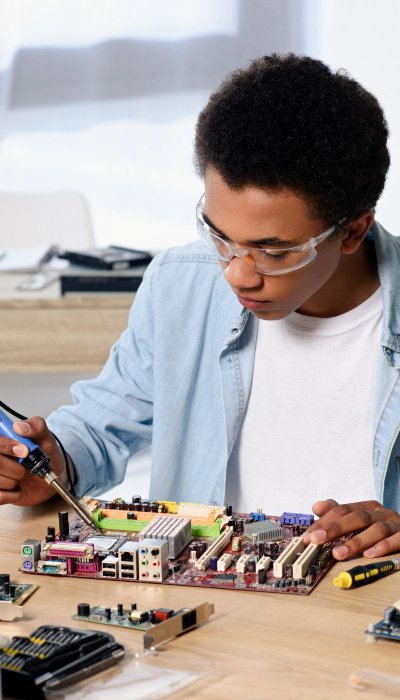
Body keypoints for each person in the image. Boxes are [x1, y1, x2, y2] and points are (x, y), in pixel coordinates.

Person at [1, 53, 399, 562]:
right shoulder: (180, 283)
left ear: (353, 231)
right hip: (206, 609)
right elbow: (102, 425)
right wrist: (55, 463)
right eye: (219, 235)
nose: (237, 273)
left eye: (273, 252)